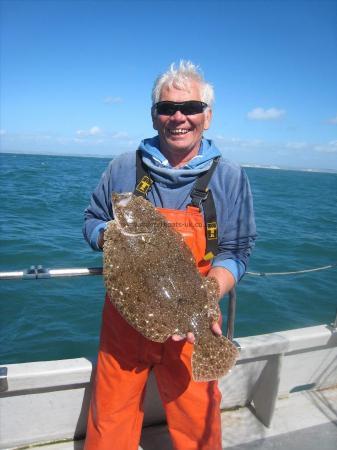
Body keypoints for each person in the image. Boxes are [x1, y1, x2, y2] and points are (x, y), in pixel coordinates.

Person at [83, 60, 256, 450]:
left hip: (196, 322)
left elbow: (238, 249)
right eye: (167, 108)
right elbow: (93, 218)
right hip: (126, 324)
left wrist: (208, 293)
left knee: (199, 429)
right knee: (109, 424)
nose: (179, 117)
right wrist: (107, 235)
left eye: (191, 108)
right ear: (154, 115)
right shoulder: (123, 167)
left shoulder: (229, 177)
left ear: (207, 116)